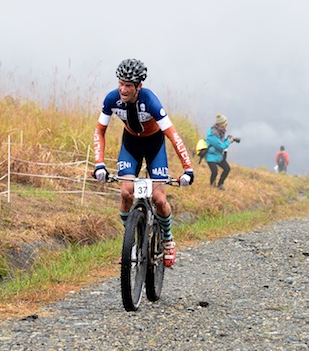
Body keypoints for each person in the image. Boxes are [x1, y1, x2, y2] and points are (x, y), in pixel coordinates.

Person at [92, 58, 194, 267]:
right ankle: (130, 242)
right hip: (130, 145)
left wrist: (188, 169)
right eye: (120, 83)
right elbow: (99, 131)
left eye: (128, 85)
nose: (123, 89)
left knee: (158, 198)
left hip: (154, 145)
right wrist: (99, 163)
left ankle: (167, 240)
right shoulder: (112, 99)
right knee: (125, 193)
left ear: (139, 86)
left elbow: (173, 135)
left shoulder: (151, 101)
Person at [205, 113, 235, 189]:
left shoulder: (220, 131)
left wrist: (227, 140)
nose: (226, 125)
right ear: (221, 124)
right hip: (211, 156)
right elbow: (220, 146)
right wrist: (228, 142)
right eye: (225, 124)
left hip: (218, 156)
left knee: (227, 169)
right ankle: (212, 186)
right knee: (214, 171)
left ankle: (220, 184)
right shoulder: (212, 134)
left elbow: (221, 141)